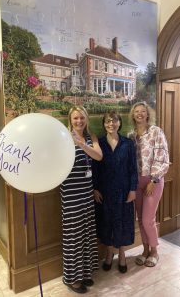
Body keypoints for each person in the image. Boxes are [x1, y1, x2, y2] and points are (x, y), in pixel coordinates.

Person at [60, 106, 103, 294]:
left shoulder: (91, 137)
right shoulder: (63, 137)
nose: (79, 121)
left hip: (86, 192)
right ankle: (71, 278)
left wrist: (83, 145)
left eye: (82, 118)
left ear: (86, 119)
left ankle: (85, 273)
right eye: (76, 118)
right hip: (70, 193)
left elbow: (99, 156)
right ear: (70, 119)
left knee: (86, 233)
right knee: (73, 236)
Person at [92, 111, 138, 274]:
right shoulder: (99, 143)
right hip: (104, 191)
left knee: (123, 223)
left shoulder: (128, 143)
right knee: (106, 222)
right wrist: (95, 188)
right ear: (104, 124)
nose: (111, 124)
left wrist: (133, 189)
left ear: (120, 123)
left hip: (124, 191)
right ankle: (109, 253)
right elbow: (95, 168)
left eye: (115, 121)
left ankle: (122, 253)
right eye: (108, 121)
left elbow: (133, 169)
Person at [128, 101, 169, 267]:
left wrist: (154, 179)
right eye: (136, 111)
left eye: (142, 111)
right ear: (133, 115)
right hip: (136, 181)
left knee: (147, 220)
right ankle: (144, 250)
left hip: (153, 180)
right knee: (140, 219)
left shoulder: (156, 132)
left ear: (147, 114)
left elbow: (163, 158)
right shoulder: (131, 136)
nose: (139, 114)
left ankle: (154, 251)